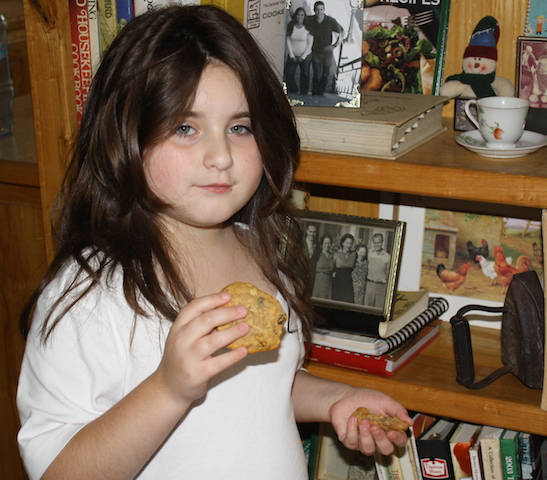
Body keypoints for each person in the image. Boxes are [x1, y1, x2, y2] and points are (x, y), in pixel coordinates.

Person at [16, 6, 412, 480]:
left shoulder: (262, 255)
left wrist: (335, 399)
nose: (221, 156)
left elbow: (260, 390)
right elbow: (58, 471)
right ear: (126, 137)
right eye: (186, 128)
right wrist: (168, 389)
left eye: (239, 128)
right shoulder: (90, 296)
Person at [307, 1, 344, 96]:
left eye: (321, 10)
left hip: (327, 53)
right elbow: (297, 20)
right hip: (316, 52)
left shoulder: (330, 21)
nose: (319, 12)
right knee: (316, 75)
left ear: (324, 10)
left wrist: (334, 45)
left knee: (326, 75)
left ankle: (321, 94)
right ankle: (314, 94)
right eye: (317, 10)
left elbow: (342, 32)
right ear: (314, 10)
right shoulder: (310, 19)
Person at [285, 7, 313, 95]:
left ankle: (303, 93)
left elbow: (310, 44)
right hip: (292, 54)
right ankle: (294, 90)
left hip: (306, 55)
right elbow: (288, 40)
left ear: (304, 16)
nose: (299, 17)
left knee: (305, 75)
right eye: (298, 15)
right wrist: (292, 55)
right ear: (295, 16)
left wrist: (303, 57)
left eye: (302, 15)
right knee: (288, 74)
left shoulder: (307, 27)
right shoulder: (291, 25)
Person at [365, 233, 391, 308]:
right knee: (367, 308)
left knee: (379, 309)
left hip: (381, 287)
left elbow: (389, 273)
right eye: (375, 243)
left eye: (378, 242)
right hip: (370, 284)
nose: (377, 245)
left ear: (382, 242)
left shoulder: (387, 257)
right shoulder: (369, 254)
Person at [332, 233, 356, 303]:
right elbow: (332, 267)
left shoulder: (354, 255)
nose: (349, 245)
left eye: (350, 243)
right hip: (338, 281)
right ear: (342, 243)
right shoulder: (336, 254)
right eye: (347, 243)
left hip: (348, 282)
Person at [312, 234, 334, 299]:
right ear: (322, 244)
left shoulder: (332, 256)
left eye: (329, 243)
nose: (327, 245)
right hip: (318, 282)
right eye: (325, 243)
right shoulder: (317, 254)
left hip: (329, 282)